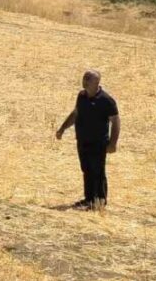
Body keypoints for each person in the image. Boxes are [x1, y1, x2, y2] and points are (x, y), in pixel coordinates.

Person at [55, 70, 120, 209]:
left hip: (98, 143)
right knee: (87, 170)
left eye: (87, 79)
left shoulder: (106, 100)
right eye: (84, 78)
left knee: (98, 172)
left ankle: (100, 202)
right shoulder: (82, 96)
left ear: (95, 83)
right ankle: (89, 200)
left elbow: (116, 121)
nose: (84, 81)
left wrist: (113, 143)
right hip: (82, 140)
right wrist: (62, 129)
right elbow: (76, 113)